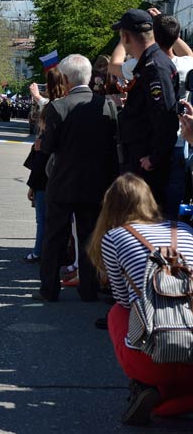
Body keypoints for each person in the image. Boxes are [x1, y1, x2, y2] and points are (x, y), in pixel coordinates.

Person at [87, 174, 193, 425]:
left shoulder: (113, 237)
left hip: (154, 357)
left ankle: (142, 384)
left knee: (117, 313)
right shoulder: (185, 230)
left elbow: (123, 300)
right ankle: (175, 397)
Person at [34, 54, 119, 302]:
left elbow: (48, 146)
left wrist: (41, 144)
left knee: (54, 238)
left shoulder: (58, 106)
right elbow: (112, 145)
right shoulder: (106, 105)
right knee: (89, 237)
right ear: (89, 76)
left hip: (62, 183)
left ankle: (49, 289)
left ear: (67, 79)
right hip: (95, 183)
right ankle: (88, 290)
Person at [109, 9, 180, 214]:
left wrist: (155, 157)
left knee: (143, 220)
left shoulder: (154, 67)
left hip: (146, 163)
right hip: (140, 157)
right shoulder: (149, 63)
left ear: (126, 37)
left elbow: (165, 116)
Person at [23, 68, 66, 264]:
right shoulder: (65, 105)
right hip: (62, 171)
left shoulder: (54, 108)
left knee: (43, 217)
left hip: (47, 172)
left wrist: (37, 96)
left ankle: (40, 251)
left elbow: (42, 157)